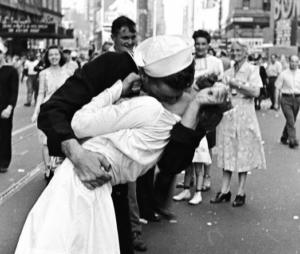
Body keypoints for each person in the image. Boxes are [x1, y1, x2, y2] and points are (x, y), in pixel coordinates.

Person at [15, 35, 228, 254]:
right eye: (170, 94)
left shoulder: (174, 97)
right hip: (77, 177)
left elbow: (172, 163)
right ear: (145, 75)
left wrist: (199, 115)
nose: (173, 99)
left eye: (179, 94)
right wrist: (77, 153)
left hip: (113, 193)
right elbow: (52, 110)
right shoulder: (113, 67)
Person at [211, 41, 266, 207]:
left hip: (245, 114)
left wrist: (234, 84)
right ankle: (225, 190)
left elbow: (256, 91)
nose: (234, 53)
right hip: (228, 114)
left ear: (245, 52)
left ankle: (241, 191)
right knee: (227, 149)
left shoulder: (252, 69)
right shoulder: (228, 71)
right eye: (232, 50)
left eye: (237, 50)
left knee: (243, 150)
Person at [174, 29, 224, 200]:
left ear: (208, 45)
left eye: (204, 44)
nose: (201, 47)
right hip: (191, 105)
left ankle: (206, 177)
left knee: (207, 144)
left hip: (209, 108)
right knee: (189, 142)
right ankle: (189, 182)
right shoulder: (189, 62)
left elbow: (221, 85)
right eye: (198, 44)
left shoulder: (216, 62)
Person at [31, 45, 69, 180]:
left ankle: (61, 168)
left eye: (56, 54)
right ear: (47, 57)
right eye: (51, 55)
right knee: (46, 141)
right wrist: (36, 112)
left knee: (62, 140)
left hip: (63, 110)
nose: (54, 57)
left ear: (60, 56)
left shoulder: (68, 73)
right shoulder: (43, 73)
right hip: (47, 109)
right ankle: (48, 168)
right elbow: (40, 94)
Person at [0, 42, 19, 173]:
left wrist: (10, 107)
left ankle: (3, 162)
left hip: (5, 109)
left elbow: (14, 91)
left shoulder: (11, 70)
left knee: (4, 135)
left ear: (2, 54)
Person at [274, 55, 300, 149]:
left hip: (297, 99)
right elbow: (277, 88)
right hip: (285, 99)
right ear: (289, 62)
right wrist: (276, 102)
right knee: (290, 120)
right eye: (292, 61)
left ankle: (284, 137)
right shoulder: (283, 74)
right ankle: (292, 140)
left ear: (298, 63)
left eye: (296, 61)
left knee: (291, 120)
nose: (294, 63)